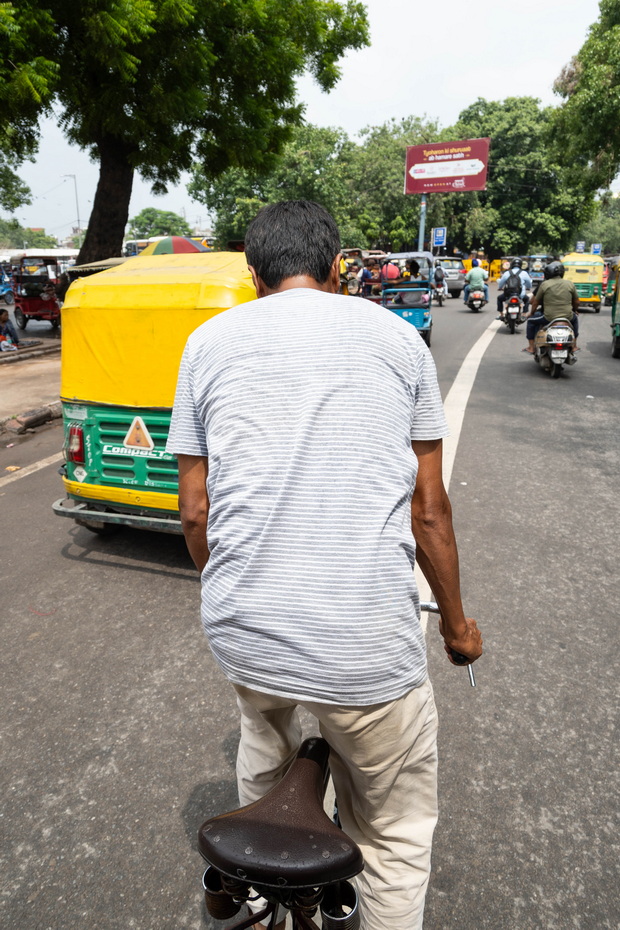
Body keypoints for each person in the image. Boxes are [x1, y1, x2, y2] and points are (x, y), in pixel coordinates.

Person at [166, 200, 482, 930]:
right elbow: (429, 510)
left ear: (254, 275)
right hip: (366, 649)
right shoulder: (398, 339)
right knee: (394, 833)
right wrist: (457, 628)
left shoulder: (205, 343)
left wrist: (231, 588)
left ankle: (251, 883)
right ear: (338, 268)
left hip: (243, 632)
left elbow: (195, 513)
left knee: (262, 732)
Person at [522, 260, 580, 354]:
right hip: (567, 317)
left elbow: (535, 302)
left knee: (531, 321)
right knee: (575, 320)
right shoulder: (570, 284)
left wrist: (531, 313)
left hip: (548, 317)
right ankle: (574, 346)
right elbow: (577, 302)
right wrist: (575, 310)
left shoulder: (545, 284)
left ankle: (531, 348)